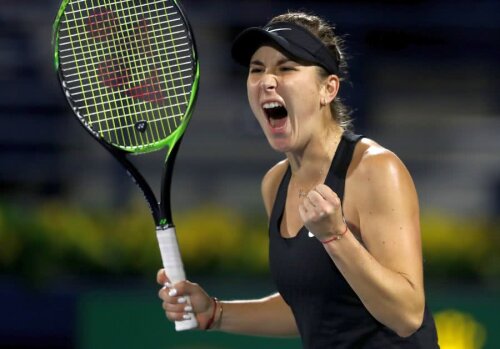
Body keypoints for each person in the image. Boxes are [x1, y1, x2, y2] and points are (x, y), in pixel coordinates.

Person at [157, 11, 440, 348]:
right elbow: (312, 308)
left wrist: (337, 237)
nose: (267, 80)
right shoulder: (276, 184)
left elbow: (407, 315)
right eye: (256, 69)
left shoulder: (375, 170)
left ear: (328, 89)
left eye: (286, 68)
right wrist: (217, 313)